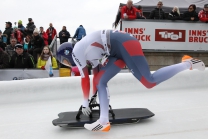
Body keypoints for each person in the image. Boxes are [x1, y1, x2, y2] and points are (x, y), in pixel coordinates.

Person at [58, 29, 205, 132]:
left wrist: (85, 102)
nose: (66, 63)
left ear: (68, 54)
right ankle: (103, 121)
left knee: (149, 81)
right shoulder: (84, 50)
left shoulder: (77, 51)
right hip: (117, 48)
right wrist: (93, 96)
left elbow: (84, 78)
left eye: (64, 61)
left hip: (122, 44)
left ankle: (188, 63)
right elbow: (95, 75)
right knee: (100, 81)